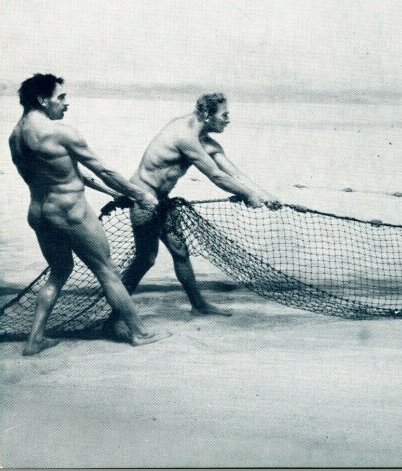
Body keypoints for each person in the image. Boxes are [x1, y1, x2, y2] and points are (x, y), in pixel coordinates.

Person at [9, 73, 169, 355]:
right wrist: (141, 195)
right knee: (107, 270)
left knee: (60, 271)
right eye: (61, 97)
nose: (66, 104)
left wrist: (109, 194)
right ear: (42, 100)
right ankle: (139, 333)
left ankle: (35, 339)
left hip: (39, 213)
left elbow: (64, 172)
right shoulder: (61, 132)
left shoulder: (16, 137)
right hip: (71, 212)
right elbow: (103, 171)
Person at [105, 93, 280, 340]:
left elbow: (233, 172)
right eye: (224, 115)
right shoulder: (184, 136)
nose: (228, 120)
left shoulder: (205, 141)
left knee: (180, 252)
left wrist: (264, 195)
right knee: (145, 259)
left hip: (162, 201)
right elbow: (216, 176)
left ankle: (198, 305)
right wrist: (248, 195)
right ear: (208, 116)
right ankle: (113, 319)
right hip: (143, 198)